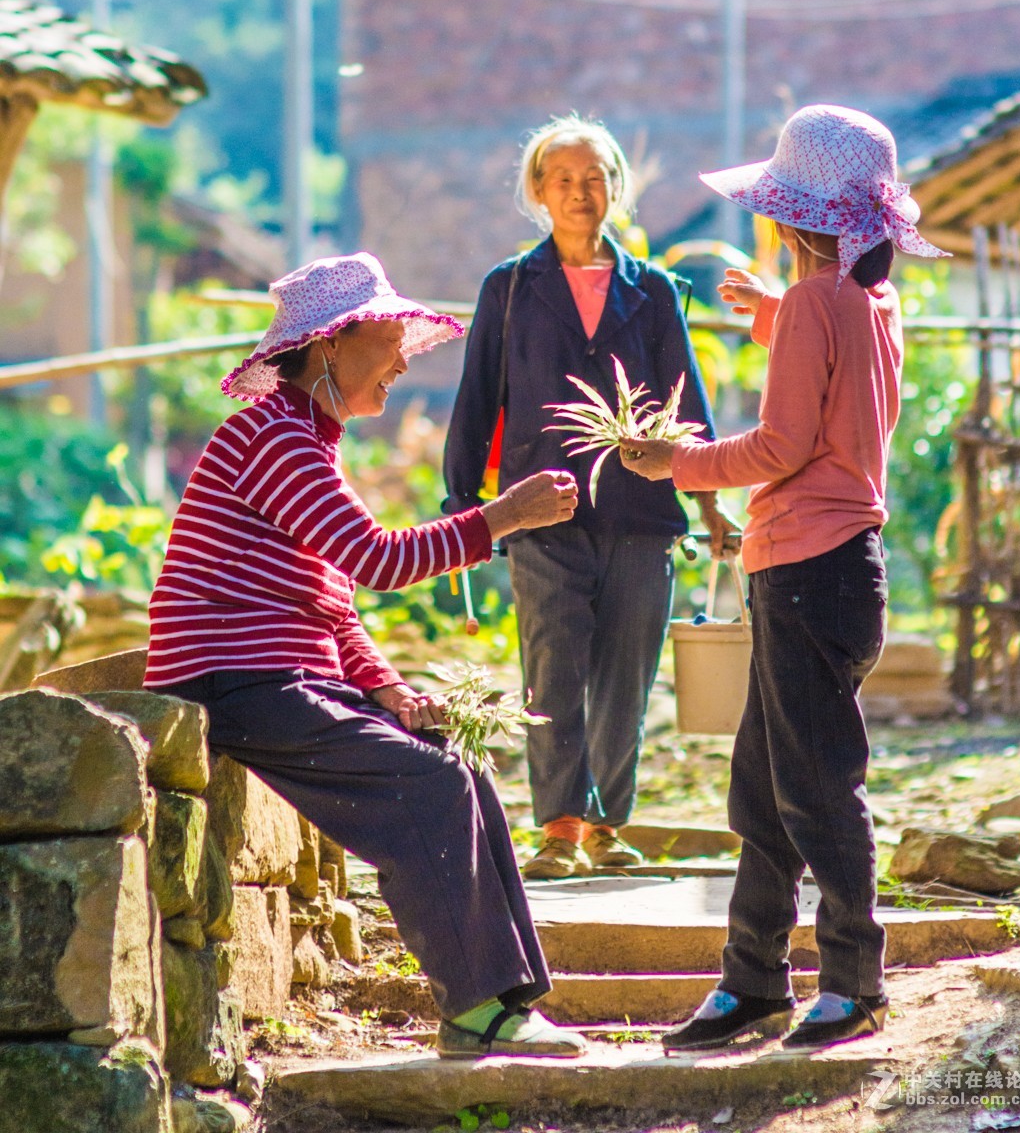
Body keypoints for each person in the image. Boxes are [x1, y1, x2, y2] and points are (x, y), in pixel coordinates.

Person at [143, 251, 587, 1059]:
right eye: (386, 340)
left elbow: (332, 599)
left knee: (457, 759)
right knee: (425, 786)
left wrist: (383, 685)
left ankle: (508, 997)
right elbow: (376, 561)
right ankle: (473, 1010)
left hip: (283, 675)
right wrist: (503, 517)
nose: (398, 362)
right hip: (233, 678)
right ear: (328, 348)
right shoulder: (272, 436)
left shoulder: (306, 437)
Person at [620, 104, 947, 1052]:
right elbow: (840, 384)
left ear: (790, 219)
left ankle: (852, 979)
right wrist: (773, 313)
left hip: (805, 569)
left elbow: (781, 443)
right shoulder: (868, 303)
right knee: (762, 794)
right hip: (842, 576)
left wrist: (668, 462)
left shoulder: (816, 304)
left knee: (812, 792)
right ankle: (750, 981)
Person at [443, 114, 736, 881]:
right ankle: (558, 827)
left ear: (616, 187)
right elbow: (476, 401)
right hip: (540, 507)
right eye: (563, 179)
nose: (580, 192)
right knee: (552, 663)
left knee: (626, 668)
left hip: (641, 511)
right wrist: (460, 505)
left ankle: (607, 824)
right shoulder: (508, 289)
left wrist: (708, 499)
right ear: (537, 191)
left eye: (594, 177)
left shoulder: (655, 292)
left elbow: (686, 401)